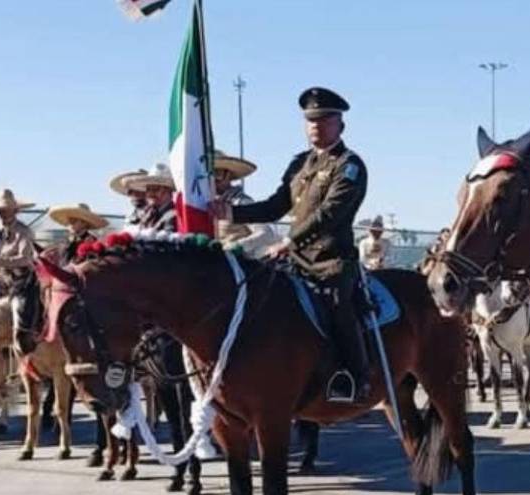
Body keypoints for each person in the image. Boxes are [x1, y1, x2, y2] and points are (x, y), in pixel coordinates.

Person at [215, 86, 371, 403]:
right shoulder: (300, 164)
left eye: (324, 119)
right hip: (295, 260)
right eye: (310, 119)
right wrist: (230, 212)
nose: (316, 125)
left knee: (338, 307)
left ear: (340, 124)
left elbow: (329, 214)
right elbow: (275, 206)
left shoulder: (349, 165)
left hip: (330, 261)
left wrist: (289, 240)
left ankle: (354, 376)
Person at [214, 150, 280, 256]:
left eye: (217, 174)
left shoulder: (241, 202)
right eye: (209, 175)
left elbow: (266, 233)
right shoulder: (200, 205)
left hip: (238, 263)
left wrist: (238, 246)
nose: (213, 180)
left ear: (228, 175)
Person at [0, 188, 38, 289]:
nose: (4, 214)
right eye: (1, 211)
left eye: (7, 210)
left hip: (20, 279)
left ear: (15, 211)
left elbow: (25, 259)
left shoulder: (23, 231)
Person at [110, 164, 178, 235]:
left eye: (156, 189)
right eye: (148, 189)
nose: (150, 194)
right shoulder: (148, 214)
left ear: (169, 191)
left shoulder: (174, 215)